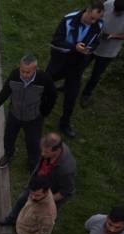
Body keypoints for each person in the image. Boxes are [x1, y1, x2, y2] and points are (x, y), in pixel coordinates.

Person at [0, 55, 58, 170]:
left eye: (28, 72)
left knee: (33, 143)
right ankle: (9, 154)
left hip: (33, 118)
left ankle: (33, 163)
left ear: (35, 70)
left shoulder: (44, 79)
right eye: (22, 71)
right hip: (15, 114)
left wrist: (44, 112)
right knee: (8, 137)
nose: (24, 74)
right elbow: (5, 92)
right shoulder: (14, 75)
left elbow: (52, 95)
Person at [47, 2, 105, 138]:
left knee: (72, 96)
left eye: (97, 19)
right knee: (45, 81)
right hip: (60, 61)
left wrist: (90, 49)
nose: (94, 22)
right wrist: (74, 47)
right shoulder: (68, 20)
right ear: (87, 11)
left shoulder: (99, 25)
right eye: (92, 18)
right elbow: (56, 41)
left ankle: (65, 123)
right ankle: (34, 104)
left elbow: (97, 42)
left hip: (77, 65)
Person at [0, 133, 76, 226]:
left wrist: (45, 199)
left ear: (57, 150)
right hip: (39, 182)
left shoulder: (66, 169)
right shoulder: (51, 149)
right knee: (22, 199)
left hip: (50, 193)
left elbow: (66, 191)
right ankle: (11, 220)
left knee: (42, 214)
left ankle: (34, 232)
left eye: (46, 152)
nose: (42, 154)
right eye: (42, 150)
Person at [80, 0, 124, 107]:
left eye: (119, 12)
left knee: (96, 75)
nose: (116, 13)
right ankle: (68, 85)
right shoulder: (108, 4)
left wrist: (114, 36)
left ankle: (86, 94)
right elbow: (96, 18)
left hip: (108, 52)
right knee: (79, 66)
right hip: (92, 45)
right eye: (115, 10)